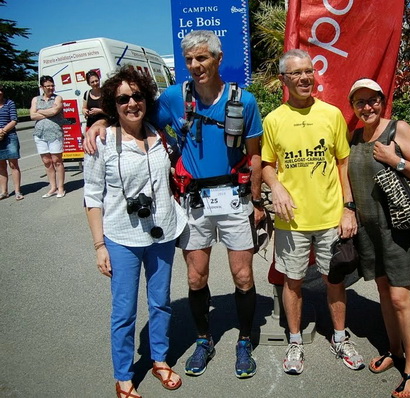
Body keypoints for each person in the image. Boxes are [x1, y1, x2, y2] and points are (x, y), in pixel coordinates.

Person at [84, 30, 265, 379]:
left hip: (233, 198)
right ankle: (203, 339)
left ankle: (244, 340)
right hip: (194, 202)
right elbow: (131, 112)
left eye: (203, 58)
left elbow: (255, 158)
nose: (196, 66)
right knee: (196, 278)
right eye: (190, 60)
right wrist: (101, 121)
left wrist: (257, 202)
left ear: (218, 58)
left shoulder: (246, 101)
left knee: (243, 275)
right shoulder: (172, 97)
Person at [84, 67, 187, 398]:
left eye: (137, 96)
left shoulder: (160, 136)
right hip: (121, 238)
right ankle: (123, 375)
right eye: (123, 98)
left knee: (161, 303)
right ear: (114, 104)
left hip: (161, 234)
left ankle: (159, 359)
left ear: (146, 98)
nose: (131, 103)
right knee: (124, 310)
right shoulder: (102, 142)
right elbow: (92, 197)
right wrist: (100, 245)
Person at [262, 49, 364, 375]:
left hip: (329, 216)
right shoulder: (273, 120)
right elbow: (266, 165)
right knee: (292, 282)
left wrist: (348, 208)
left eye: (309, 71)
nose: (306, 78)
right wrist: (275, 186)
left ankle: (339, 337)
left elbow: (343, 162)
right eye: (297, 73)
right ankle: (294, 341)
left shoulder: (332, 114)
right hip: (291, 220)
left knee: (334, 280)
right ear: (284, 80)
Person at [347, 78, 410, 398]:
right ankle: (394, 351)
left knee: (400, 298)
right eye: (360, 102)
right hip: (369, 228)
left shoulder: (399, 129)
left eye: (372, 101)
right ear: (353, 106)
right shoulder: (355, 137)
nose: (367, 107)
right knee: (383, 292)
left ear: (382, 101)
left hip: (398, 227)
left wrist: (396, 160)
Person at [30, 76, 66, 198]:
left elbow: (54, 111)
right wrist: (47, 112)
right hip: (40, 134)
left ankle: (61, 188)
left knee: (57, 161)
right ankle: (53, 187)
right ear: (42, 87)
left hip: (54, 133)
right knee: (47, 161)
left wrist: (39, 111)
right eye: (48, 86)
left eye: (52, 85)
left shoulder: (57, 98)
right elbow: (32, 115)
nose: (51, 88)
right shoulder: (36, 99)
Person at [0, 85, 23, 200]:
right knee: (1, 165)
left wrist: (3, 131)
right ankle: (4, 191)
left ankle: (18, 191)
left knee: (13, 164)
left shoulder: (9, 103)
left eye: (0, 91)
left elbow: (14, 120)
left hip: (10, 136)